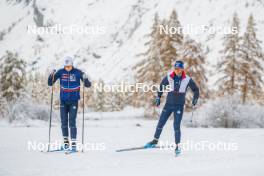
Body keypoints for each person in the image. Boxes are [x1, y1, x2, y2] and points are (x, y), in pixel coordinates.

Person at [144, 60, 199, 156]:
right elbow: (162, 86)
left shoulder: (187, 79)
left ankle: (177, 147)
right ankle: (155, 141)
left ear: (182, 69)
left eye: (179, 68)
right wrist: (158, 97)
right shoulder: (169, 76)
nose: (177, 70)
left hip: (179, 106)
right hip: (168, 104)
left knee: (176, 126)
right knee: (161, 123)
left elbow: (196, 89)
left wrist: (195, 98)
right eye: (176, 68)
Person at [48, 56, 91, 152]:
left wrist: (85, 77)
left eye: (69, 66)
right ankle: (66, 144)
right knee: (63, 122)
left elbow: (88, 85)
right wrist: (51, 75)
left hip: (73, 101)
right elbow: (50, 83)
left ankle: (74, 146)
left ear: (72, 65)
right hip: (63, 101)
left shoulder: (78, 72)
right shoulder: (60, 72)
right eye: (66, 67)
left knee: (72, 122)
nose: (67, 68)